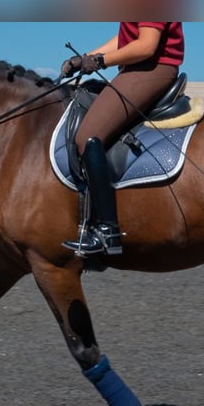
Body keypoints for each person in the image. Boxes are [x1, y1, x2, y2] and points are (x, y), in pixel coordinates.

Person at [60, 22, 185, 256]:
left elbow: (147, 45)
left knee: (88, 136)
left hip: (152, 68)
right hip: (136, 68)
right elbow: (125, 40)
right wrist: (88, 57)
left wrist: (100, 62)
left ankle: (107, 230)